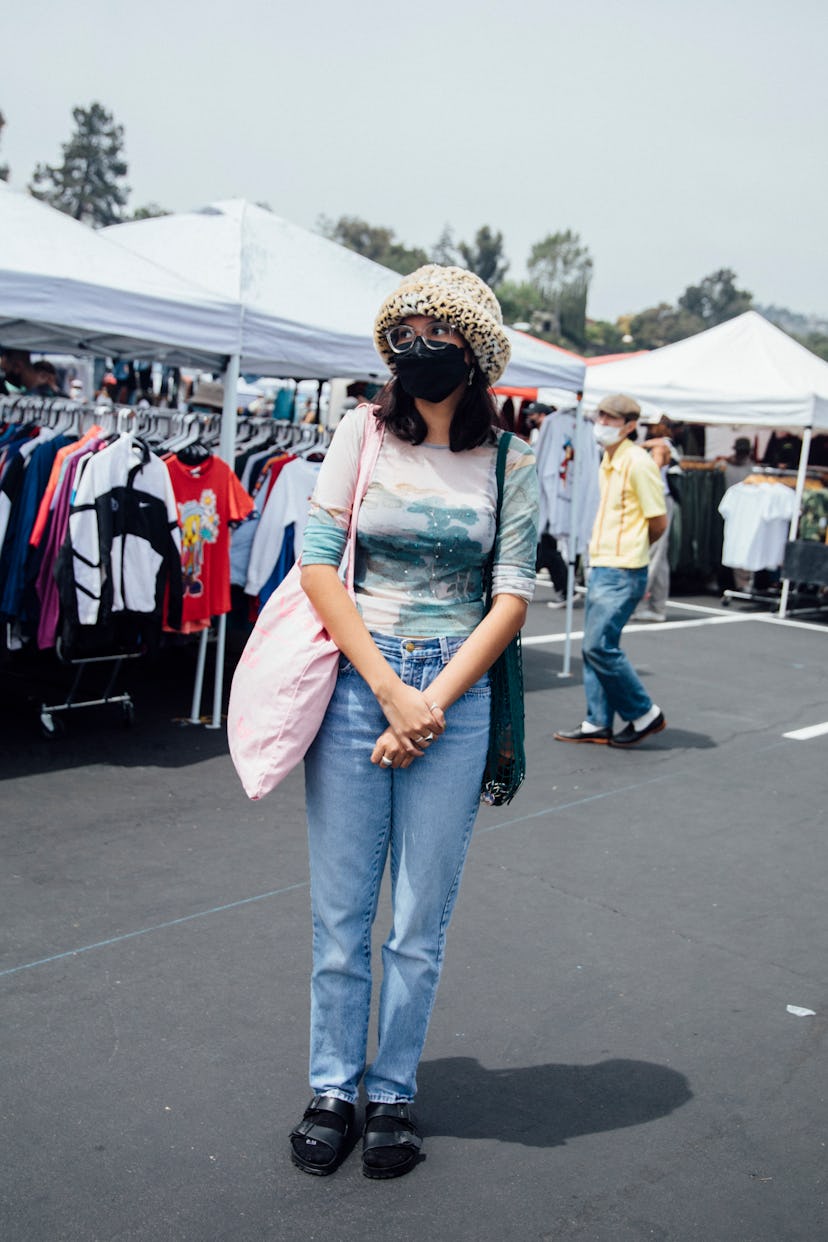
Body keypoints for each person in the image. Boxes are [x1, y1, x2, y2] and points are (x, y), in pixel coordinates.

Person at [291, 265, 539, 1179]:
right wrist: (390, 691)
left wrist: (429, 703)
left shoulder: (509, 460)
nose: (420, 344)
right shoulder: (361, 430)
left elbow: (511, 598)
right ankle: (332, 1088)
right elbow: (320, 563)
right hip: (362, 684)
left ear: (475, 355)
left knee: (418, 923)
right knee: (341, 915)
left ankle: (391, 1092)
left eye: (440, 331)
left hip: (455, 694)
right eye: (409, 329)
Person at [554, 393, 667, 747]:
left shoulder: (637, 462)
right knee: (596, 646)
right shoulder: (611, 457)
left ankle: (644, 712)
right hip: (603, 563)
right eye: (600, 416)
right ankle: (597, 721)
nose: (602, 423)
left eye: (611, 418)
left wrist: (633, 547)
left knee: (599, 646)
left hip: (622, 566)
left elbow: (659, 520)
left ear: (631, 425)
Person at [636, 419, 680, 622]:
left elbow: (654, 469)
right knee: (659, 557)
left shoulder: (661, 446)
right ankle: (658, 607)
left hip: (658, 500)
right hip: (660, 499)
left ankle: (634, 604)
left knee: (653, 555)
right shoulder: (663, 445)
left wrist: (645, 447)